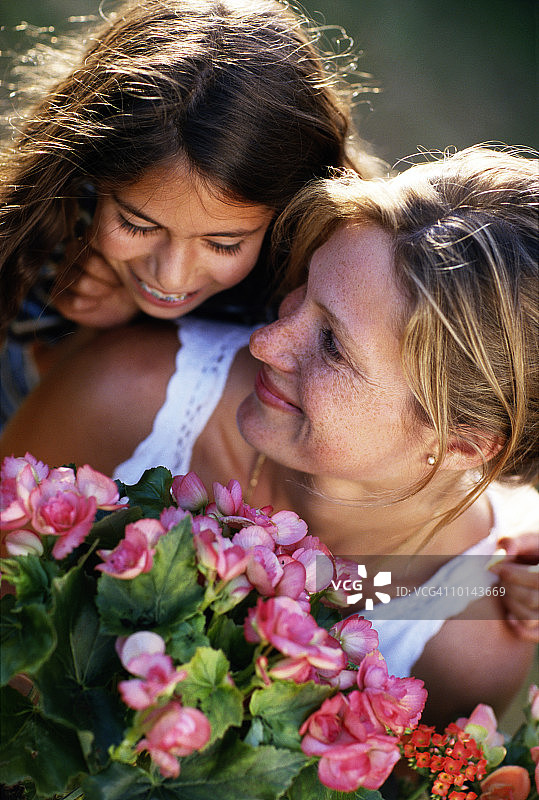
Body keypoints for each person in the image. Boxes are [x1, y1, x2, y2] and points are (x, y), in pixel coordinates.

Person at [2, 145, 537, 724]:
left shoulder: (474, 633)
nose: (266, 342)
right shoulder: (129, 397)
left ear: (463, 445)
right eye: (304, 289)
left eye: (333, 344)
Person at [0, 0, 380, 424]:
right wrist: (81, 331)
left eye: (224, 243)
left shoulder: (319, 299)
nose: (171, 276)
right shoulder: (53, 218)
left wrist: (115, 333)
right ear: (93, 169)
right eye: (136, 224)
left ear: (289, 213)